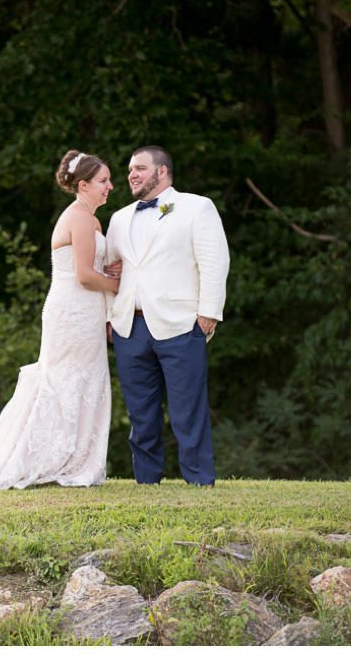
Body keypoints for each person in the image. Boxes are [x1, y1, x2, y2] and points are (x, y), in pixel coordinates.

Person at [0, 150, 121, 489]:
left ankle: (74, 459)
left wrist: (111, 269)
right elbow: (85, 276)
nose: (110, 187)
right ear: (83, 185)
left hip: (85, 310)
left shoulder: (89, 217)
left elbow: (91, 266)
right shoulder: (81, 218)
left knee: (83, 382)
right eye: (104, 181)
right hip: (74, 310)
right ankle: (51, 459)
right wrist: (122, 285)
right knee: (66, 381)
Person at [105, 146, 230, 487]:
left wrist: (208, 314)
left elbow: (214, 263)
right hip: (129, 327)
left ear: (161, 172)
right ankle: (147, 483)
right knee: (141, 414)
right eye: (130, 168)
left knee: (188, 410)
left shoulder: (196, 207)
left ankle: (199, 482)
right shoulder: (119, 218)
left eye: (140, 168)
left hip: (181, 323)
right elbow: (110, 271)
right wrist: (108, 318)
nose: (132, 174)